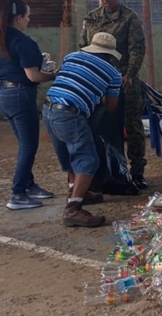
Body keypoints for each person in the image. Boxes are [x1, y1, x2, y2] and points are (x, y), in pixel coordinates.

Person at [0, 0, 56, 210]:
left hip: (3, 93)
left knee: (24, 143)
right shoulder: (23, 41)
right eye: (27, 17)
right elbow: (33, 76)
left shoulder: (0, 37)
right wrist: (56, 75)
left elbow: (18, 63)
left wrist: (38, 59)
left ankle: (28, 185)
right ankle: (17, 193)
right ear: (18, 18)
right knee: (28, 145)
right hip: (19, 95)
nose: (28, 20)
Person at [43, 32, 123, 227]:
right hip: (71, 113)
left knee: (70, 156)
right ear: (111, 54)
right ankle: (73, 209)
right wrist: (98, 95)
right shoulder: (113, 73)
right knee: (88, 160)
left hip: (49, 108)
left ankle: (78, 192)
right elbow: (111, 107)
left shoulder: (71, 57)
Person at [79, 0, 148, 189]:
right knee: (103, 127)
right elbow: (83, 45)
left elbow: (137, 49)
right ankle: (108, 172)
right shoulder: (91, 18)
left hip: (124, 80)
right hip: (98, 81)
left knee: (132, 126)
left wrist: (130, 75)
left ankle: (137, 173)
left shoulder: (129, 18)